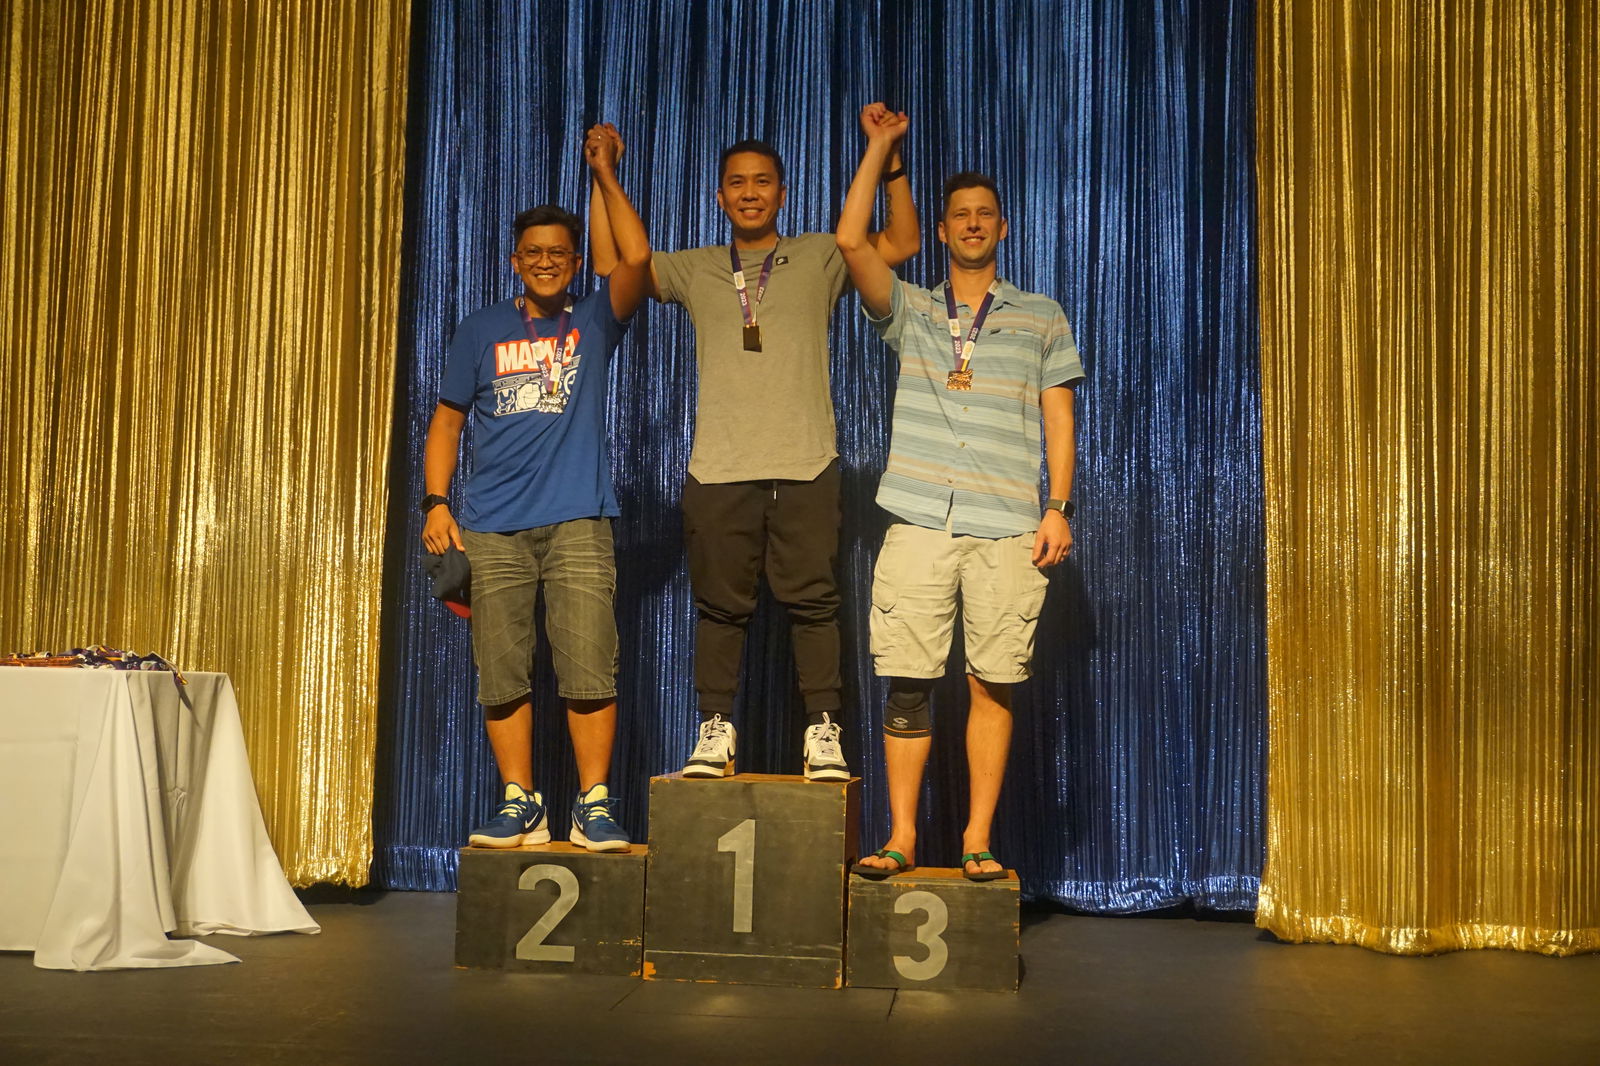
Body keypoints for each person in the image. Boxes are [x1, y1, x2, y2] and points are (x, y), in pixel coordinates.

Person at [589, 105, 920, 780]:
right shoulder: (696, 267)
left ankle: (822, 729)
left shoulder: (823, 254)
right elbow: (615, 260)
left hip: (805, 464)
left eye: (762, 182)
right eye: (736, 182)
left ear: (781, 193)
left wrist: (891, 162)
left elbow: (903, 242)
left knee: (815, 602)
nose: (748, 192)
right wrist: (604, 175)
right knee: (719, 607)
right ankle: (715, 727)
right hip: (720, 467)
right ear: (719, 195)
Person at [834, 111, 1084, 880]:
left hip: (1009, 521)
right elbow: (850, 242)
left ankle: (977, 837)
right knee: (908, 679)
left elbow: (1060, 418)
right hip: (917, 518)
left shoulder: (1041, 315)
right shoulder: (910, 308)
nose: (972, 225)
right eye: (960, 217)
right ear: (941, 231)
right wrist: (882, 149)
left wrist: (1059, 507)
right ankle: (901, 835)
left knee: (991, 679)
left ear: (1002, 228)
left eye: (985, 215)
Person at [421, 124, 651, 851]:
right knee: (503, 670)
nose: (546, 263)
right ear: (514, 262)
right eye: (534, 254)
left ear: (575, 262)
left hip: (579, 519)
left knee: (588, 663)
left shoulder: (592, 320)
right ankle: (521, 802)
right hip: (490, 528)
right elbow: (447, 424)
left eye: (560, 253)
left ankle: (593, 804)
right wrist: (436, 503)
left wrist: (605, 173)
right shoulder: (481, 328)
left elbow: (637, 257)